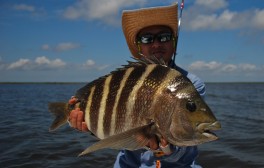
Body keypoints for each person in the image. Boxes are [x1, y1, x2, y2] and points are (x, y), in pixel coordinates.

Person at [69, 3, 205, 168]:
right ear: (139, 46)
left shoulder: (191, 83)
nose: (156, 44)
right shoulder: (126, 80)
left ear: (173, 42)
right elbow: (114, 127)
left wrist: (167, 148)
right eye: (147, 38)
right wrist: (91, 127)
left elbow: (187, 149)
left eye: (164, 37)